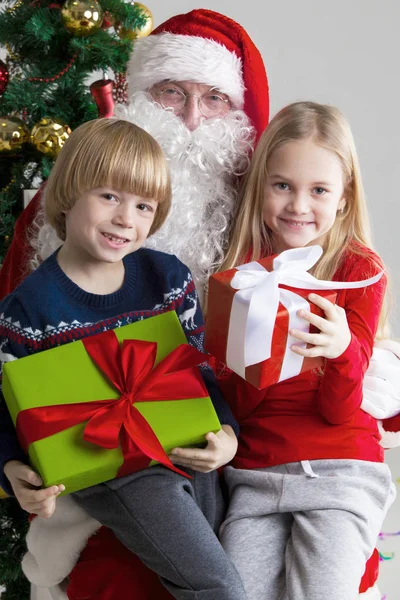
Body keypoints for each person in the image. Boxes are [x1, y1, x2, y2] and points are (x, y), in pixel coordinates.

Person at [0, 117, 246, 600]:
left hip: (182, 441)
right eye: (109, 196)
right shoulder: (30, 307)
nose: (125, 218)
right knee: (217, 584)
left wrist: (227, 432)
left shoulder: (167, 277)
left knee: (223, 546)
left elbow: (197, 370)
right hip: (112, 465)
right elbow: (7, 403)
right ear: (69, 192)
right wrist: (10, 467)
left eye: (143, 205)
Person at [217, 101, 396, 600]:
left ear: (343, 198)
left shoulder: (358, 269)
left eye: (318, 190)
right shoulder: (242, 272)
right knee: (238, 590)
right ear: (261, 187)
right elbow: (241, 407)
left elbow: (341, 409)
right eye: (282, 186)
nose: (299, 205)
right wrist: (249, 357)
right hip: (257, 474)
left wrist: (342, 352)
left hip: (341, 471)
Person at [0, 8, 270, 304]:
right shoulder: (75, 182)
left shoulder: (256, 208)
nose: (191, 120)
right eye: (172, 92)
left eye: (214, 99)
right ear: (143, 96)